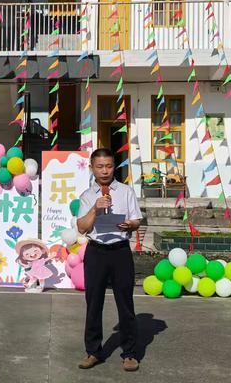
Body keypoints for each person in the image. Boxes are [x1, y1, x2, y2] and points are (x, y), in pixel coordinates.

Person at [76, 148, 142, 372]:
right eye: (100, 166)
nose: (105, 171)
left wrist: (130, 225)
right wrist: (95, 208)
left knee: (125, 303)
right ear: (92, 168)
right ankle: (93, 352)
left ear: (115, 166)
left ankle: (130, 353)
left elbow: (136, 220)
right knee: (93, 303)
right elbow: (82, 228)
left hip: (120, 251)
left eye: (109, 166)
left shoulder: (126, 192)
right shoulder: (86, 196)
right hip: (96, 252)